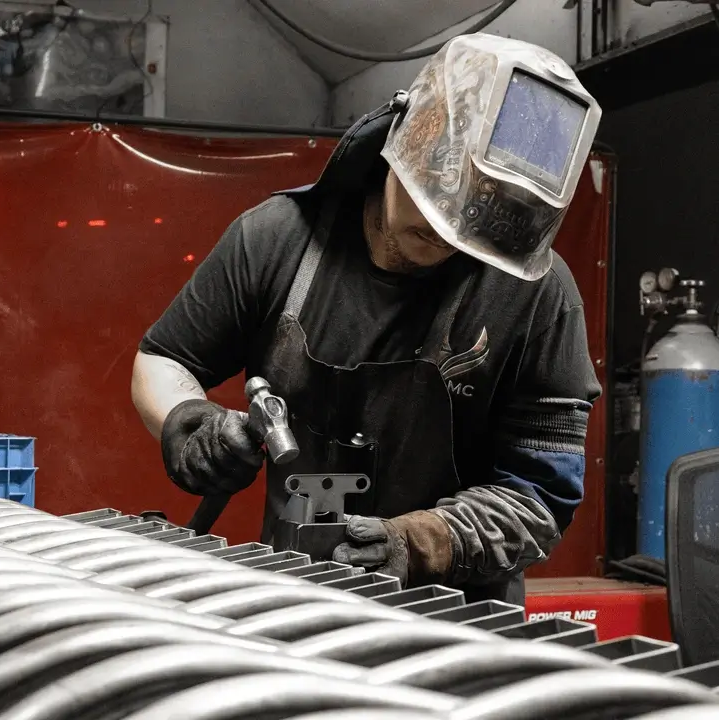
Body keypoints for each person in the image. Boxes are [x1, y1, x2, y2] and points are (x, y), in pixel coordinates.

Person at [130, 33, 603, 605]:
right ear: (407, 134)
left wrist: (423, 542)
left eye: (471, 230)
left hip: (458, 617)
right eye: (434, 207)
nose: (445, 237)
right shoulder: (278, 238)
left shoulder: (540, 296)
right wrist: (189, 421)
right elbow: (165, 359)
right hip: (291, 596)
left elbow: (541, 496)